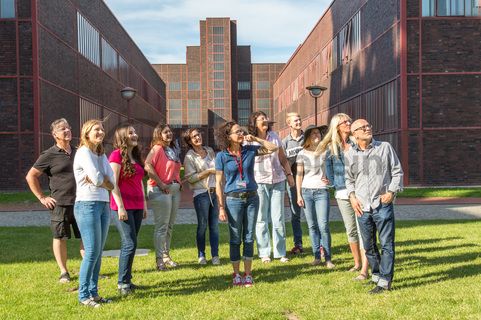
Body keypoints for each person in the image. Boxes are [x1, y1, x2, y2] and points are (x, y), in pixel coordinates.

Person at [215, 121, 278, 287]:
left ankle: (248, 274)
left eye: (242, 131)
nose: (241, 134)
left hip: (252, 198)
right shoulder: (221, 156)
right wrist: (221, 207)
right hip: (233, 199)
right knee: (235, 238)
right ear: (228, 136)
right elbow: (219, 183)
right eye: (237, 132)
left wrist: (255, 137)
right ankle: (236, 274)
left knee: (249, 237)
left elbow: (273, 148)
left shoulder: (250, 150)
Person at [345, 119, 403, 294]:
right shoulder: (349, 154)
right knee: (369, 246)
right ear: (354, 134)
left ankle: (385, 281)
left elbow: (397, 171)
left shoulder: (384, 147)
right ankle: (377, 275)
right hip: (362, 206)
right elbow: (349, 179)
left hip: (382, 204)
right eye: (362, 127)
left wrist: (391, 192)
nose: (367, 128)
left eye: (368, 125)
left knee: (386, 244)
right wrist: (352, 197)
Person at [26, 118, 84, 283]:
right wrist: (42, 197)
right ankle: (64, 272)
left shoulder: (79, 151)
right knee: (60, 237)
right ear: (54, 135)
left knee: (86, 236)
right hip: (60, 203)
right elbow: (31, 176)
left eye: (68, 128)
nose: (67, 131)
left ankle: (89, 268)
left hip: (81, 201)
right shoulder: (49, 155)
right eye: (62, 129)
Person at [317, 113, 369, 280]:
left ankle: (366, 267)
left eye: (349, 121)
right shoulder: (332, 146)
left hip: (360, 191)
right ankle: (357, 263)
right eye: (344, 122)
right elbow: (329, 167)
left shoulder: (357, 141)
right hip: (342, 191)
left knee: (363, 229)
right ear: (337, 126)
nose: (348, 123)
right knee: (351, 229)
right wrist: (331, 182)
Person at [73, 119, 114, 307]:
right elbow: (99, 179)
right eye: (96, 129)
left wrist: (103, 180)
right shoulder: (83, 152)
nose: (101, 132)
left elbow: (111, 181)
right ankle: (83, 296)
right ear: (87, 133)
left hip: (104, 204)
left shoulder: (100, 154)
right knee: (90, 252)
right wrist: (102, 180)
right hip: (87, 204)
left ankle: (94, 292)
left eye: (102, 129)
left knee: (98, 252)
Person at [247, 111, 293, 263]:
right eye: (261, 119)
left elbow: (282, 157)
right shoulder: (248, 141)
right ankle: (264, 252)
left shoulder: (274, 136)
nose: (265, 120)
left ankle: (280, 252)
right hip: (259, 181)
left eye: (266, 118)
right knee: (261, 218)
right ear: (254, 123)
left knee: (278, 218)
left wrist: (289, 175)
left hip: (278, 180)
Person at [109, 124, 148, 296]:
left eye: (135, 131)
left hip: (138, 206)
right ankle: (122, 283)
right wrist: (121, 207)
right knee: (129, 243)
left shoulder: (135, 156)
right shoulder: (116, 155)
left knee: (133, 243)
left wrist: (144, 205)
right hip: (122, 207)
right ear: (123, 136)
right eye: (131, 132)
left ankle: (128, 281)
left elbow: (140, 181)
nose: (135, 134)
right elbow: (113, 183)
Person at [295, 124, 335, 268]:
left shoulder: (326, 151)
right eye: (312, 133)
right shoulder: (302, 153)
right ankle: (317, 256)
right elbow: (299, 175)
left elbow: (334, 168)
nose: (316, 135)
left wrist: (330, 179)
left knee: (323, 225)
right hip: (306, 191)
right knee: (312, 226)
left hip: (321, 191)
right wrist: (298, 194)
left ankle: (328, 258)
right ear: (308, 137)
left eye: (318, 133)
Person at [145, 123, 182, 271]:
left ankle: (166, 256)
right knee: (162, 227)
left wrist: (178, 182)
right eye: (165, 132)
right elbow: (148, 165)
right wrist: (161, 184)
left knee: (170, 226)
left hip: (174, 190)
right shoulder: (157, 148)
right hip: (160, 190)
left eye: (170, 132)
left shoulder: (172, 150)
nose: (169, 134)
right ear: (158, 134)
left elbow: (174, 169)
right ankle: (159, 259)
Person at [183, 128, 220, 265]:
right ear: (190, 141)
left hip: (214, 192)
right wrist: (208, 171)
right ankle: (201, 255)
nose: (198, 138)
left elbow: (218, 168)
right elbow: (191, 178)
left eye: (198, 135)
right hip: (201, 194)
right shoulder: (189, 157)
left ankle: (215, 255)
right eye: (194, 137)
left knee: (214, 226)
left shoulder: (209, 150)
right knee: (202, 226)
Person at [281, 112, 305, 254]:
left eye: (299, 119)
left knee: (311, 213)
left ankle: (320, 245)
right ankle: (299, 244)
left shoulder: (307, 137)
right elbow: (283, 162)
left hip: (308, 179)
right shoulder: (285, 142)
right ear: (289, 123)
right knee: (295, 213)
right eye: (295, 120)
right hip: (293, 182)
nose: (298, 122)